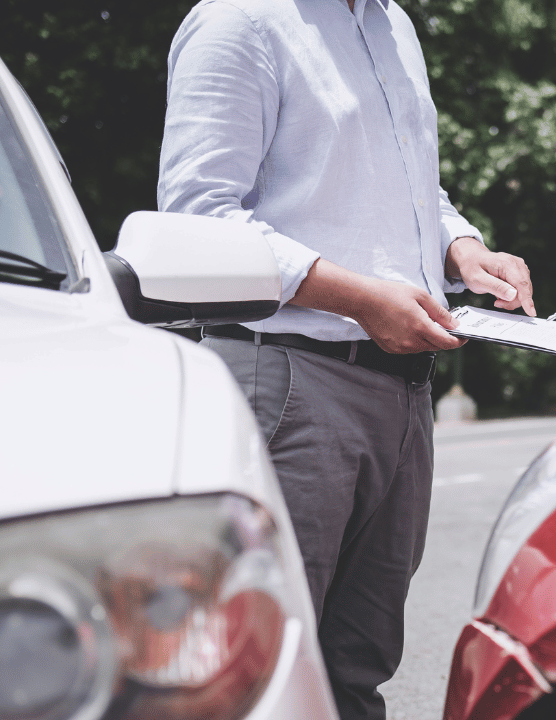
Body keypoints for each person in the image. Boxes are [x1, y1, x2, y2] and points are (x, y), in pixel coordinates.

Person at [156, 1, 535, 718]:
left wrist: (464, 249)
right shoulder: (240, 21)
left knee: (355, 672)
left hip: (402, 395)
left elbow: (412, 193)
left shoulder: (393, 24)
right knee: (262, 673)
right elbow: (198, 216)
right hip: (291, 383)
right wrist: (360, 298)